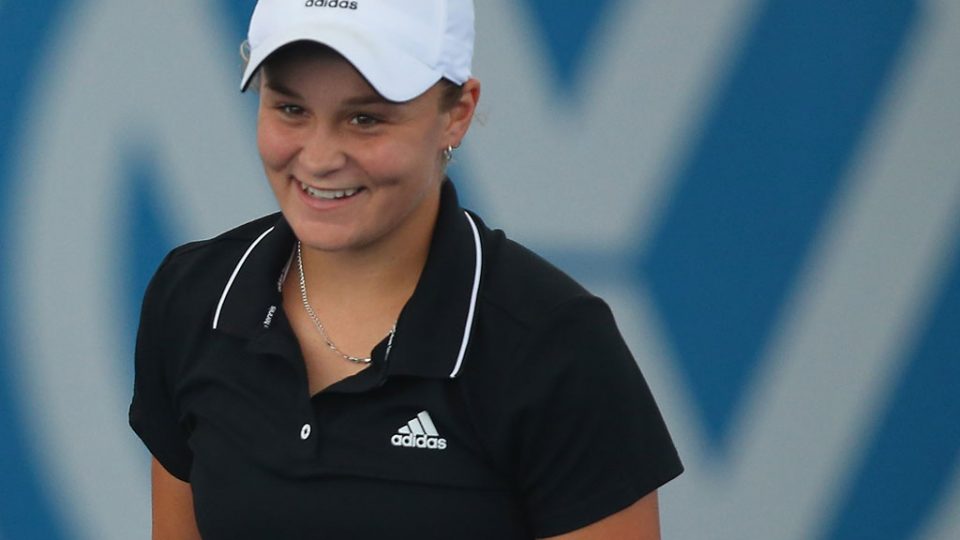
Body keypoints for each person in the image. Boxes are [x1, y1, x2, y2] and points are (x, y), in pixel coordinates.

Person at [129, 0, 683, 538]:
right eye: (291, 109)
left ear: (458, 113)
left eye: (365, 118)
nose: (320, 158)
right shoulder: (193, 298)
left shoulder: (556, 345)